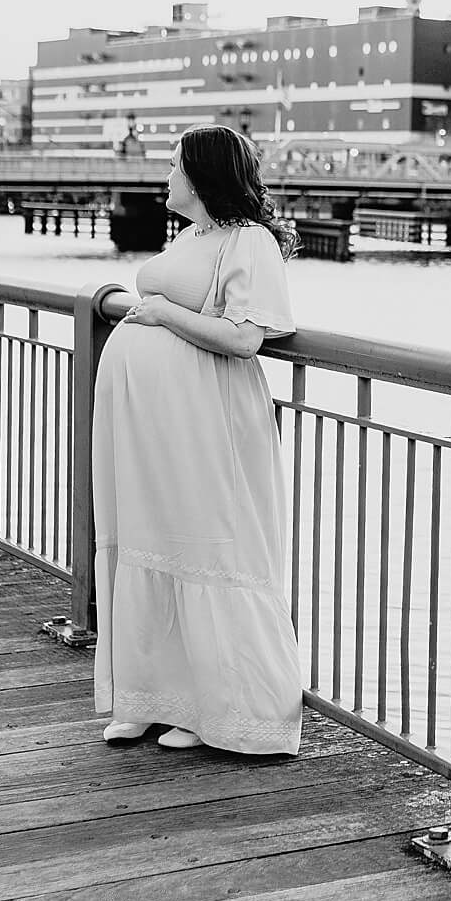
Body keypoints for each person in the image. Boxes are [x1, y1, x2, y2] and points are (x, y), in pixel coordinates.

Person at [92, 123, 303, 754]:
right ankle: (146, 695)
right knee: (148, 537)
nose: (166, 177)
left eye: (175, 166)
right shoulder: (193, 234)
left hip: (206, 414)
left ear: (203, 176)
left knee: (202, 540)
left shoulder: (249, 242)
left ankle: (216, 708)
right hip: (152, 420)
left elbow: (245, 337)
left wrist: (161, 315)